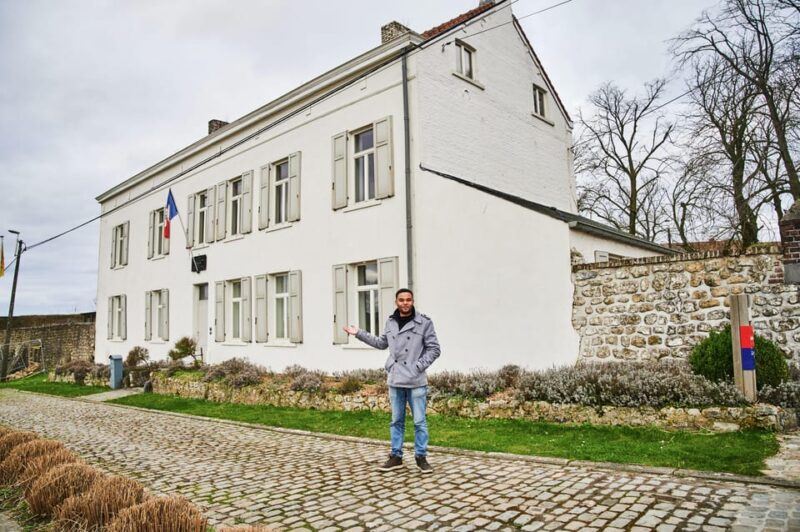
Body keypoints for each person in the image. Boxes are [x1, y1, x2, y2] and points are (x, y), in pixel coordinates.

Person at [344, 288, 440, 473]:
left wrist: (418, 366)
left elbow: (434, 349)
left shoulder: (424, 323)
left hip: (415, 380)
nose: (405, 303)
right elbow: (381, 343)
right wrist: (359, 333)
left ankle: (421, 457)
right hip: (395, 378)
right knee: (396, 421)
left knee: (419, 422)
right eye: (401, 300)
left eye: (408, 300)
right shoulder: (390, 322)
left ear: (412, 301)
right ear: (396, 302)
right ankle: (396, 456)